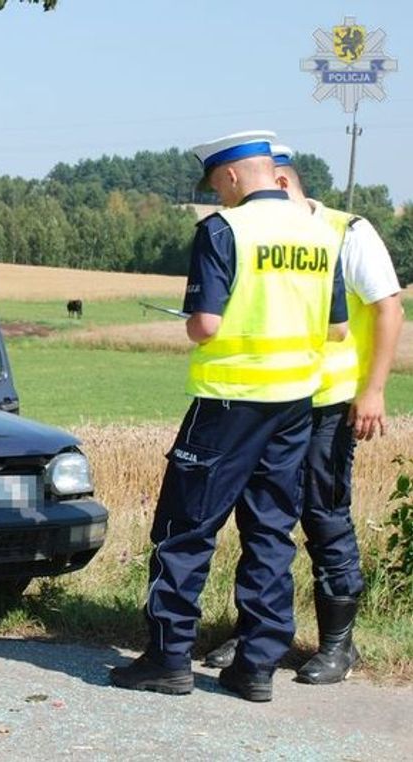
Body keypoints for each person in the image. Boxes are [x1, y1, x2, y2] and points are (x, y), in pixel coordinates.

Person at [109, 131, 348, 702]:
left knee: (184, 528)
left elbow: (206, 325)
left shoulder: (224, 230)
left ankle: (168, 657)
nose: (219, 194)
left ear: (235, 176)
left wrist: (197, 323)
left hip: (228, 399)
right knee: (269, 528)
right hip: (295, 402)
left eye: (218, 184)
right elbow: (338, 328)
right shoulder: (320, 234)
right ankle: (257, 666)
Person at [202, 144, 404, 684]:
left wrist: (374, 390)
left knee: (323, 515)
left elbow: (388, 307)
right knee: (262, 520)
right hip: (269, 402)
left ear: (283, 184)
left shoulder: (347, 231)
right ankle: (257, 634)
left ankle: (339, 644)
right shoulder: (267, 232)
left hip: (328, 405)